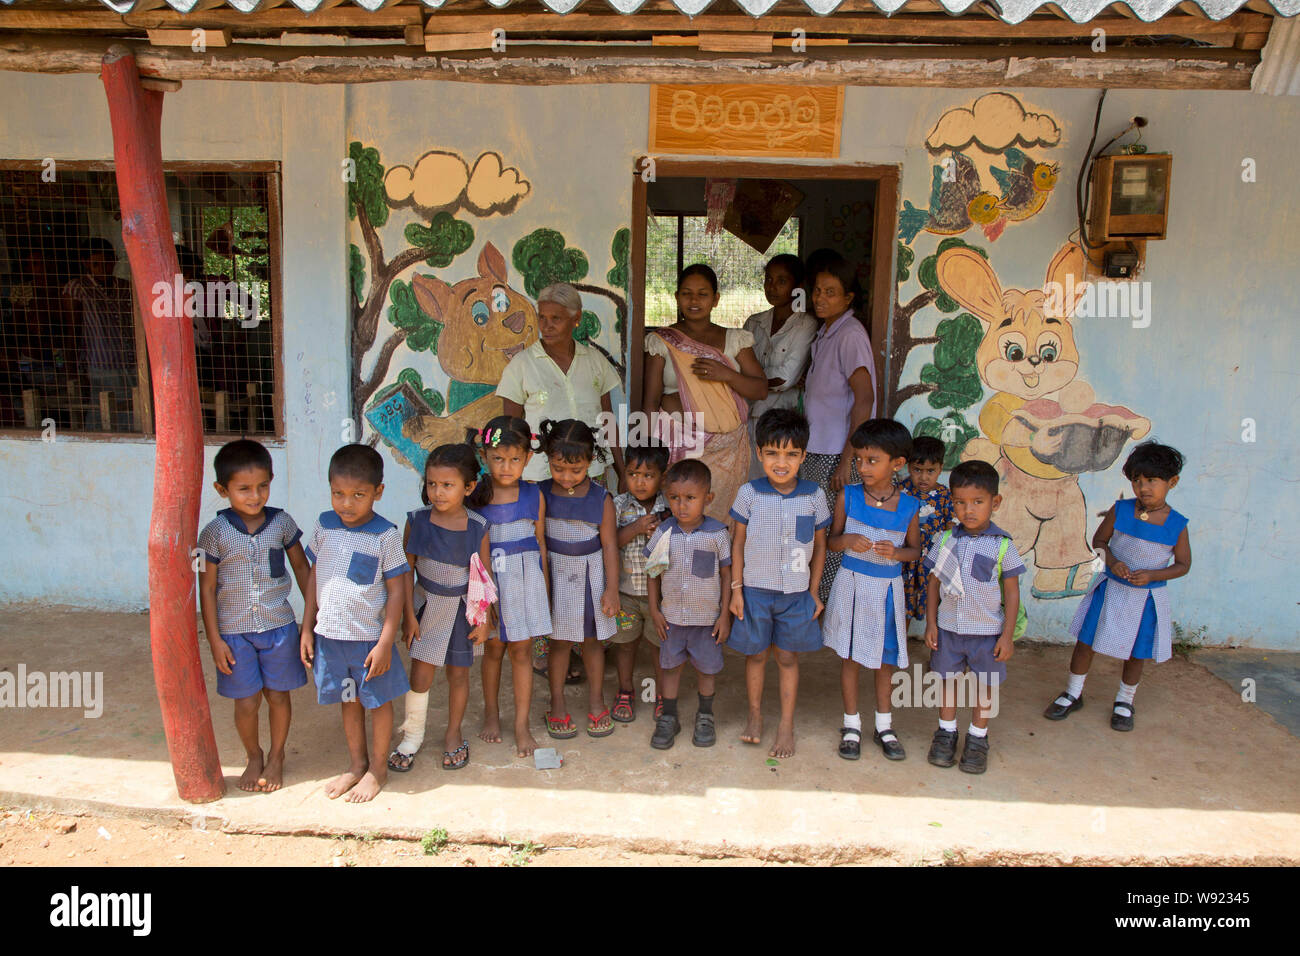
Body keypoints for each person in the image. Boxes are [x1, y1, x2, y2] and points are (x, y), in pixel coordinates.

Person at [1045, 442, 1191, 733]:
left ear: (1172, 482)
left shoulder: (1176, 524)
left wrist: (1152, 574)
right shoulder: (1121, 510)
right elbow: (1099, 542)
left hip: (1146, 597)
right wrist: (1111, 561)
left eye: (1151, 480)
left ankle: (1125, 700)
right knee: (1086, 641)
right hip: (1110, 588)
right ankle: (1073, 693)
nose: (1143, 487)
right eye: (1137, 480)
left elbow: (1183, 565)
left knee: (1137, 652)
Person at [196, 439, 310, 792]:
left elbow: (304, 572)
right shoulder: (213, 534)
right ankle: (253, 755)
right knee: (246, 702)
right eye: (243, 489)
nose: (255, 495)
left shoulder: (282, 523)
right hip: (234, 633)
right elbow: (207, 589)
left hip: (279, 628)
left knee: (278, 695)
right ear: (222, 489)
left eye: (262, 486)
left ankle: (277, 756)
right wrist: (214, 640)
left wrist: (311, 623)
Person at [300, 444, 410, 803]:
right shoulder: (324, 525)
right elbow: (315, 573)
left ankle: (378, 770)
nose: (346, 504)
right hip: (330, 638)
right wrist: (307, 627)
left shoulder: (386, 535)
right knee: (349, 700)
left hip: (367, 640)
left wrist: (385, 641)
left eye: (358, 495)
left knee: (376, 702)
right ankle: (356, 764)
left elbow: (397, 590)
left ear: (378, 492)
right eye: (338, 494)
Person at [727, 409, 829, 758]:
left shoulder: (814, 495)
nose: (781, 462)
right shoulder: (748, 494)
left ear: (803, 455)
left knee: (787, 657)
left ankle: (786, 723)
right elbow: (736, 542)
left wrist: (814, 593)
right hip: (755, 591)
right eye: (772, 453)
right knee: (755, 656)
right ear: (760, 454)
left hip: (796, 594)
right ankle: (754, 714)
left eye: (790, 454)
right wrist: (736, 590)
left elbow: (820, 545)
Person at [388, 444, 493, 773]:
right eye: (432, 484)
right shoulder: (417, 521)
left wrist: (485, 619)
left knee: (459, 675)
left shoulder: (478, 526)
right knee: (420, 674)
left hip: (463, 610)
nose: (437, 492)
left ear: (469, 487)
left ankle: (452, 733)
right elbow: (405, 572)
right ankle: (412, 735)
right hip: (426, 606)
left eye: (447, 485)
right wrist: (408, 616)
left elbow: (483, 577)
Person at [822, 419, 921, 762]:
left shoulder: (909, 506)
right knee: (850, 658)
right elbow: (832, 542)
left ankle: (884, 725)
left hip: (886, 593)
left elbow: (915, 551)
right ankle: (851, 724)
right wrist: (847, 540)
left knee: (884, 661)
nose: (862, 467)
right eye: (859, 459)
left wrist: (897, 553)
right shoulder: (847, 497)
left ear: (897, 463)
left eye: (872, 460)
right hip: (851, 586)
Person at [642, 264, 769, 525]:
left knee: (719, 520)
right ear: (677, 297)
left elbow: (761, 389)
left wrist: (727, 375)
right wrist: (645, 452)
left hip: (727, 450)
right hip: (677, 446)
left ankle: (716, 563)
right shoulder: (662, 341)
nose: (694, 300)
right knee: (681, 514)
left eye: (702, 294)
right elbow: (651, 402)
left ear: (716, 299)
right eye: (687, 293)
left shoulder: (736, 340)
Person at [923, 460, 1025, 774]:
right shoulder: (944, 540)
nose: (968, 510)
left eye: (978, 502)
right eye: (960, 502)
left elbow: (1011, 594)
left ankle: (978, 738)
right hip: (949, 630)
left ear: (995, 503)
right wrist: (930, 624)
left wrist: (1006, 636)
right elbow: (933, 585)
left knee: (985, 686)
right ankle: (946, 732)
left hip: (988, 633)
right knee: (947, 683)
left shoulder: (1003, 545)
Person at [800, 254, 878, 603]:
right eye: (817, 290)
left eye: (831, 292)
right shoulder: (827, 331)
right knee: (815, 526)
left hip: (836, 453)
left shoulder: (850, 334)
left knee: (832, 531)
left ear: (848, 298)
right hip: (818, 448)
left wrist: (849, 458)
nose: (820, 298)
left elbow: (864, 400)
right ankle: (814, 597)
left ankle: (829, 603)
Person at [469, 416, 549, 757]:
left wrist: (543, 587)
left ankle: (521, 724)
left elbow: (540, 543)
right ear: (485, 455)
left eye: (514, 459)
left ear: (527, 459)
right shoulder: (479, 494)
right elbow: (477, 550)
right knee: (494, 650)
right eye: (498, 458)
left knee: (522, 651)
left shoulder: (534, 494)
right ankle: (491, 714)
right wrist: (486, 601)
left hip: (527, 583)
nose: (506, 466)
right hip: (493, 582)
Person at [537, 419, 621, 740]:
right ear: (548, 460)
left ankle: (596, 700)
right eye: (558, 468)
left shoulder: (602, 499)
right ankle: (556, 702)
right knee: (558, 643)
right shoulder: (540, 493)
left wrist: (611, 589)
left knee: (591, 642)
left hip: (590, 577)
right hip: (555, 575)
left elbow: (611, 545)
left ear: (590, 460)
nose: (567, 476)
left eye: (576, 469)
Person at [497, 282, 625, 491]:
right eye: (542, 317)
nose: (546, 326)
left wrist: (622, 471)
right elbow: (511, 429)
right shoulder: (522, 365)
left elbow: (608, 420)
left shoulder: (595, 361)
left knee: (589, 523)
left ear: (576, 319)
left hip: (589, 471)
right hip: (540, 475)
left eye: (556, 318)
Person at [644, 459, 733, 750]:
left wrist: (724, 616)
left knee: (707, 670)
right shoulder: (663, 532)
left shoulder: (718, 534)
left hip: (707, 620)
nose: (682, 506)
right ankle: (669, 717)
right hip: (671, 619)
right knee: (670, 668)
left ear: (708, 498)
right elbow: (653, 571)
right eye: (675, 498)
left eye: (690, 498)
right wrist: (655, 610)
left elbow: (726, 574)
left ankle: (705, 715)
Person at [611, 443, 670, 723]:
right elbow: (609, 544)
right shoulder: (619, 505)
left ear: (662, 477)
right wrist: (635, 528)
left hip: (659, 598)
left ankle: (660, 695)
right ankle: (625, 690)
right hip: (625, 593)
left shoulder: (669, 507)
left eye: (648, 475)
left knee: (659, 647)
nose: (640, 481)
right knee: (625, 644)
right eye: (633, 474)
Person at [743, 255, 817, 476]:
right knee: (753, 478)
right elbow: (737, 367)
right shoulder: (754, 322)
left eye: (782, 281)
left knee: (781, 478)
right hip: (751, 414)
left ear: (798, 286)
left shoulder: (806, 323)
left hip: (784, 416)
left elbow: (786, 378)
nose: (772, 287)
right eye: (768, 279)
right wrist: (749, 378)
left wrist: (748, 380)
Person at [62, 237, 136, 431]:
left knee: (134, 416)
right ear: (86, 262)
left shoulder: (125, 287)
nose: (103, 267)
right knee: (103, 419)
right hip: (100, 367)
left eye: (108, 262)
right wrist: (73, 372)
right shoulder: (77, 289)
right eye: (96, 263)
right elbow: (73, 333)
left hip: (130, 363)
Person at [898, 436, 954, 628]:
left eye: (930, 471)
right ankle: (900, 650)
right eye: (917, 470)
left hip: (932, 562)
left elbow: (951, 528)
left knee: (933, 604)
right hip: (904, 560)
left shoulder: (944, 495)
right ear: (908, 466)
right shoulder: (901, 491)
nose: (923, 477)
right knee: (902, 606)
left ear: (940, 468)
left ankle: (937, 650)